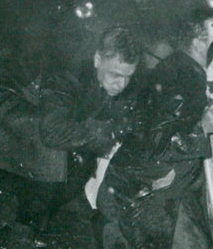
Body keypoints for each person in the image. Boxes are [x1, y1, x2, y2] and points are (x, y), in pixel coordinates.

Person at [97, 5, 213, 249]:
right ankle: (112, 231)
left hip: (159, 181)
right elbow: (155, 142)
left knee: (194, 246)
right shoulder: (183, 80)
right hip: (139, 189)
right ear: (199, 41)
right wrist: (201, 128)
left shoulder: (181, 67)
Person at [38, 25, 142, 229]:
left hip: (73, 152)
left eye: (128, 77)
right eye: (116, 75)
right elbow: (51, 131)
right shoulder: (66, 79)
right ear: (97, 60)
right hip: (33, 156)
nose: (121, 84)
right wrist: (107, 131)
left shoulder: (111, 81)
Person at [0, 35, 67, 248]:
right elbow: (10, 113)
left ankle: (28, 221)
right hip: (2, 153)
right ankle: (17, 221)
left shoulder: (45, 63)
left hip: (28, 153)